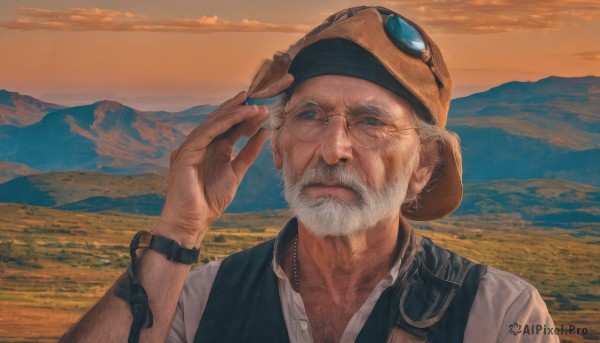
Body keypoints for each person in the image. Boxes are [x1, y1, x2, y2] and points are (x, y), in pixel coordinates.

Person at [60, 6, 557, 343]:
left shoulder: (500, 317)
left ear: (422, 166)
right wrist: (177, 233)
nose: (332, 148)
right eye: (309, 116)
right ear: (277, 147)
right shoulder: (195, 299)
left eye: (370, 122)